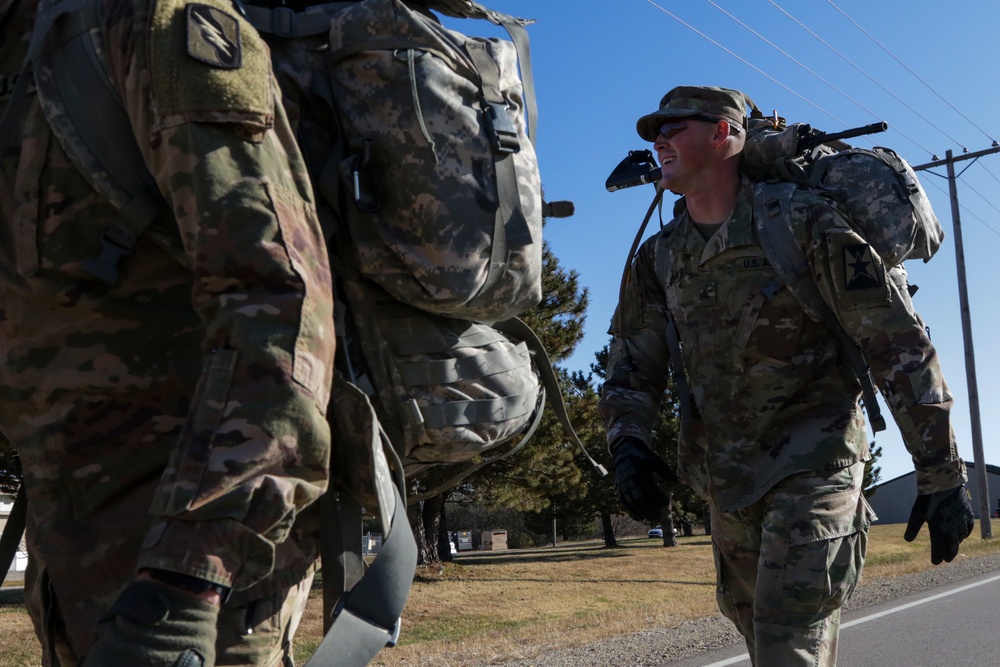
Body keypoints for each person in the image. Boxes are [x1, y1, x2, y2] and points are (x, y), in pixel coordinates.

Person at [0, 0, 336, 663]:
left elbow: (281, 301)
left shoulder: (142, 20)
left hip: (198, 592)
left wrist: (183, 589)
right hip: (70, 562)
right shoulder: (16, 56)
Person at [598, 85, 974, 666]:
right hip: (726, 482)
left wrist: (940, 472)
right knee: (762, 641)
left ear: (724, 132)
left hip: (815, 470)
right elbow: (632, 362)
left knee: (787, 646)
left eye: (673, 127)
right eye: (653, 132)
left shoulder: (803, 224)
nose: (658, 141)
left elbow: (895, 343)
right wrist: (628, 445)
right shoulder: (659, 256)